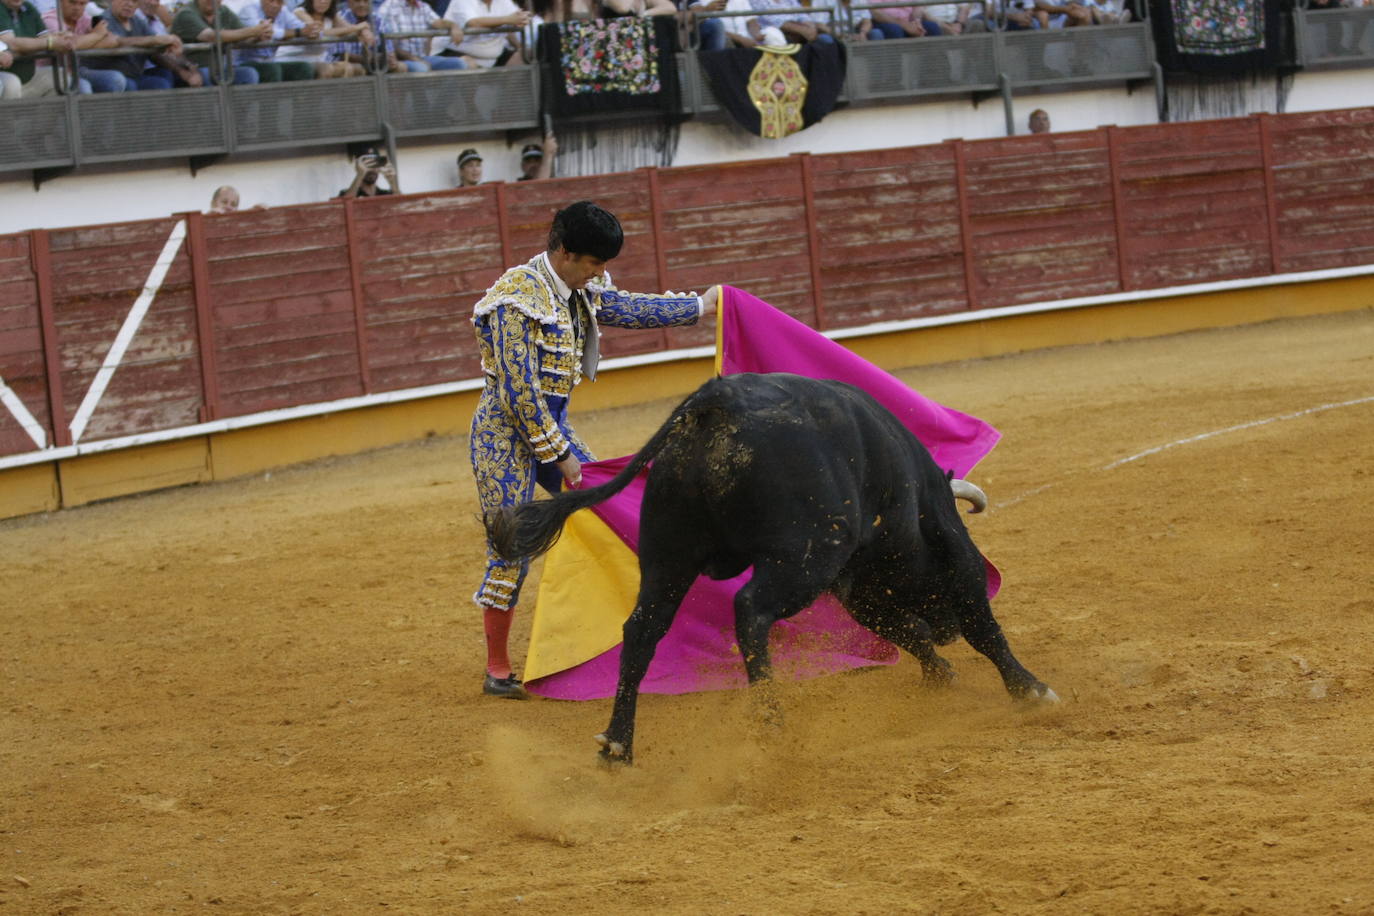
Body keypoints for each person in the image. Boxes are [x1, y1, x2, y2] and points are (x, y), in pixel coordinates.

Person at [468, 200, 717, 698]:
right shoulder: (514, 299)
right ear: (564, 252)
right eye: (594, 264)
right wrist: (560, 455)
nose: (600, 274)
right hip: (503, 436)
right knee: (512, 544)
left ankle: (617, 636)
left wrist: (699, 307)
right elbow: (518, 394)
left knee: (608, 509)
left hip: (554, 427)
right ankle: (497, 669)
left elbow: (625, 307)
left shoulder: (580, 286)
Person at [85, 0, 194, 91]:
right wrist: (156, 40)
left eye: (134, 1)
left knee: (164, 77)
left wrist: (182, 68)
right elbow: (118, 41)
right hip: (111, 77)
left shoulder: (137, 21)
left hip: (136, 75)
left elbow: (155, 47)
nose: (129, 4)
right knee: (128, 84)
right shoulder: (101, 19)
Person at [171, 0, 271, 84]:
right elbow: (211, 36)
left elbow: (243, 37)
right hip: (190, 69)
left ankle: (242, 103)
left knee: (249, 74)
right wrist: (253, 31)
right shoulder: (186, 13)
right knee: (205, 74)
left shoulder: (224, 11)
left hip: (220, 70)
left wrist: (258, 36)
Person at [42, 0, 125, 92]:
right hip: (51, 73)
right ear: (60, 2)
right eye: (72, 2)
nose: (77, 8)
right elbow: (67, 44)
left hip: (75, 69)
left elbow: (113, 41)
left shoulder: (84, 17)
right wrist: (96, 35)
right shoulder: (50, 19)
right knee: (84, 86)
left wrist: (82, 42)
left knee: (116, 79)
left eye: (82, 4)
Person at [1, 0, 77, 96]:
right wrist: (50, 42)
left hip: (29, 77)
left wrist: (61, 37)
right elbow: (10, 44)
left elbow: (44, 38)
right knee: (12, 84)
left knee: (63, 77)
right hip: (5, 78)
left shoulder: (27, 7)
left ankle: (43, 107)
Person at [276, 0, 364, 78]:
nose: (323, 1)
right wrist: (356, 28)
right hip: (292, 58)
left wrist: (364, 30)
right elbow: (318, 32)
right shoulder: (300, 12)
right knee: (325, 69)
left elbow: (352, 31)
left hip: (318, 60)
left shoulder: (332, 17)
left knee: (357, 69)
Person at [236, 0, 320, 81]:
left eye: (279, 1)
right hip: (244, 63)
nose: (275, 5)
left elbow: (302, 28)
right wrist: (298, 32)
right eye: (271, 0)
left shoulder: (283, 10)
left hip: (270, 62)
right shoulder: (249, 9)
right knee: (272, 69)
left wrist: (312, 31)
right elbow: (268, 32)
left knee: (303, 68)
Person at [375, 0, 466, 71]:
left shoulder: (423, 6)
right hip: (399, 59)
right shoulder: (389, 6)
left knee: (459, 64)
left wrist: (453, 26)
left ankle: (441, 91)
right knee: (421, 68)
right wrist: (413, 58)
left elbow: (439, 22)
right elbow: (383, 37)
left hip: (422, 58)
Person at [435, 0, 528, 67]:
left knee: (524, 55)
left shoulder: (504, 2)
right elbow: (474, 23)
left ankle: (509, 89)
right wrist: (507, 19)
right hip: (456, 53)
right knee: (467, 64)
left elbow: (515, 21)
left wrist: (519, 46)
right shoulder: (461, 1)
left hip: (494, 55)